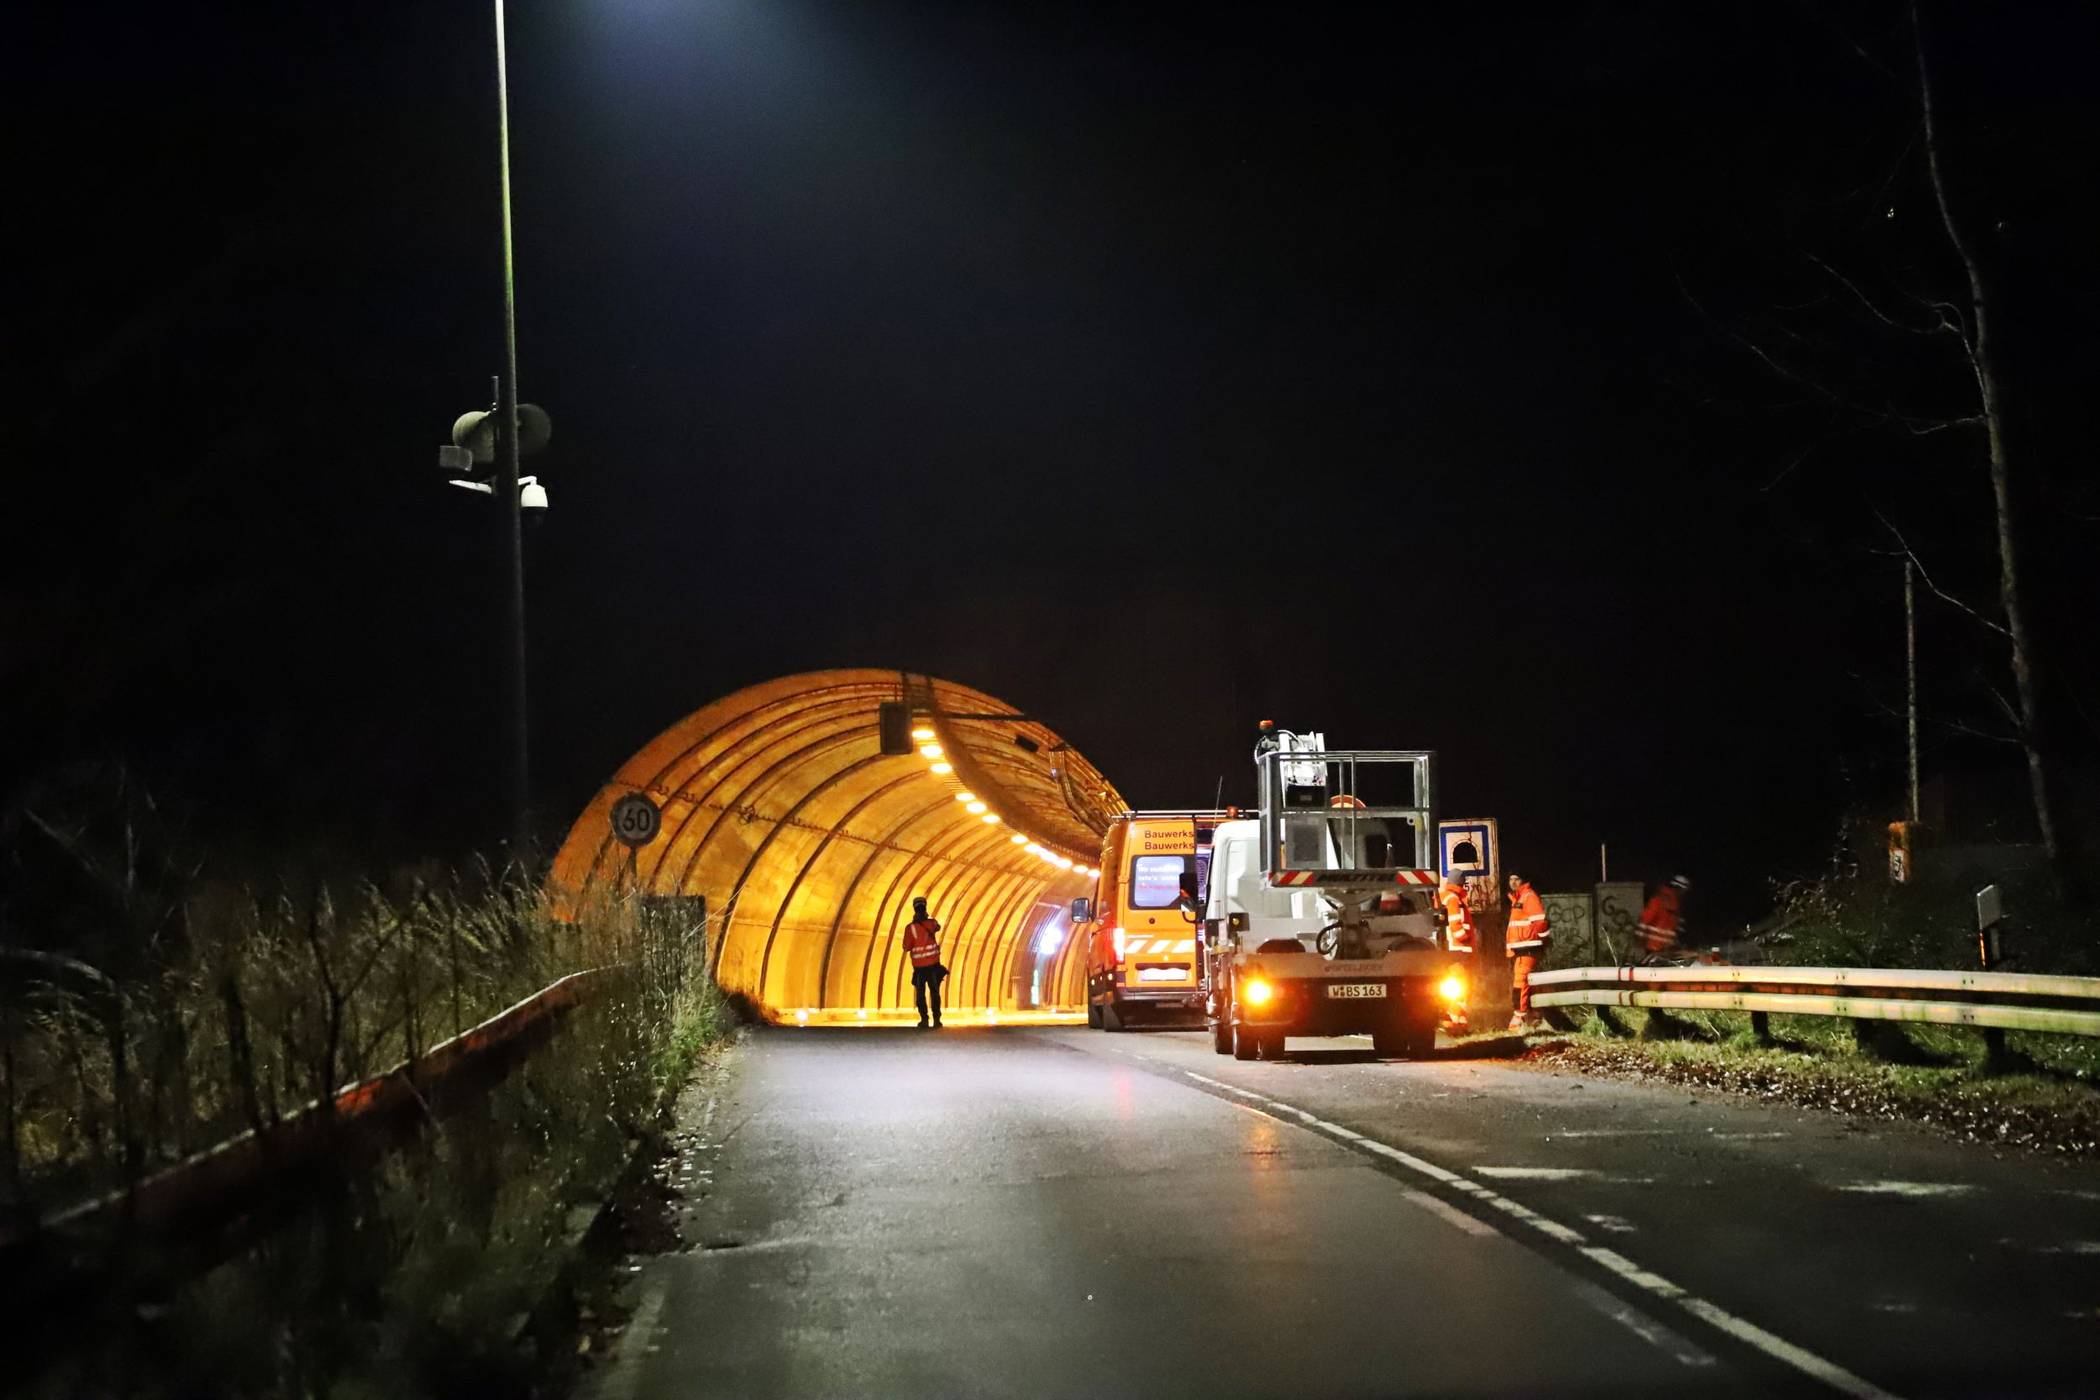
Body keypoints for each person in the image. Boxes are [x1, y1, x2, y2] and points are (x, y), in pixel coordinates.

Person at [1505, 871, 1552, 1031]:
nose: (1513, 882)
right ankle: (1534, 1018)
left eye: (1516, 879)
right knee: (1526, 984)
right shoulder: (1518, 898)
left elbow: (1540, 922)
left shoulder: (1528, 896)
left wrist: (1543, 939)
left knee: (1521, 983)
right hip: (1521, 948)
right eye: (1510, 879)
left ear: (1523, 880)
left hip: (1528, 947)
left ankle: (1519, 1018)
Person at [902, 896, 945, 1029]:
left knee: (920, 993)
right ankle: (937, 1020)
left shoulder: (910, 928)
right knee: (934, 992)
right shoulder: (931, 923)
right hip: (933, 965)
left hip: (919, 967)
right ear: (925, 907)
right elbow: (938, 926)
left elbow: (906, 947)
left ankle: (924, 1020)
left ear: (914, 909)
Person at [1638, 875, 1690, 959]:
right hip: (1655, 948)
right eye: (1683, 890)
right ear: (1678, 888)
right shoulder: (1660, 900)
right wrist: (1641, 937)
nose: (1683, 894)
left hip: (1665, 949)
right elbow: (1645, 919)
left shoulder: (1674, 903)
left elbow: (1673, 927)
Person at [1437, 873, 1478, 955]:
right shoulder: (1453, 899)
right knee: (1461, 968)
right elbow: (1454, 922)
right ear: (1460, 883)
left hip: (1448, 945)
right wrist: (1464, 937)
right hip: (1459, 947)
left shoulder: (1442, 896)